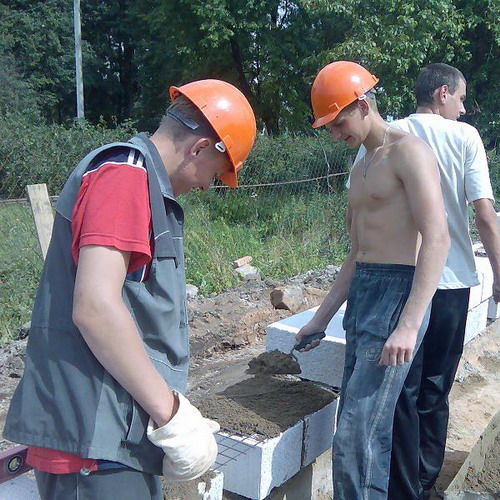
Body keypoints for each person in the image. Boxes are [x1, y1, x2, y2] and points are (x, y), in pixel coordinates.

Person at [3, 79, 256, 499]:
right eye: (215, 173)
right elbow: (96, 307)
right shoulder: (124, 177)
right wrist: (172, 417)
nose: (207, 186)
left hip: (111, 433)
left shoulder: (142, 184)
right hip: (91, 441)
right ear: (199, 148)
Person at [295, 61, 450, 500]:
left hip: (397, 295)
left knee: (356, 436)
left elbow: (437, 237)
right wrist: (320, 318)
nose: (335, 134)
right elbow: (355, 255)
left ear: (363, 105)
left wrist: (409, 324)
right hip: (365, 292)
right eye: (328, 127)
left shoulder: (409, 152)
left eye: (339, 123)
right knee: (359, 428)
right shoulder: (361, 166)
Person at [381, 63, 500, 500]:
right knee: (435, 388)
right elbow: (484, 215)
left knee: (402, 391)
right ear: (443, 93)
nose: (464, 109)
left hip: (400, 281)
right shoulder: (465, 137)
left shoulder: (387, 133)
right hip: (450, 282)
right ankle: (425, 481)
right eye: (462, 99)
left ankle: (400, 487)